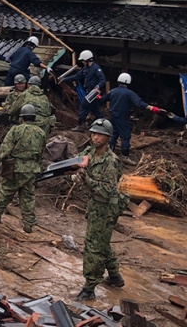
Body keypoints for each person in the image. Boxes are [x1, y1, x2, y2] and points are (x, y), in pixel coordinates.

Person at [74, 118, 126, 301]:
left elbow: (107, 189)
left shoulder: (111, 162)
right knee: (101, 241)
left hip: (106, 207)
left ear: (108, 138)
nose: (95, 137)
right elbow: (79, 161)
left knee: (93, 246)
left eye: (100, 135)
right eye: (93, 133)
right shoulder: (90, 151)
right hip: (95, 205)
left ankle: (89, 287)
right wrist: (75, 171)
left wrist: (86, 180)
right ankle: (114, 276)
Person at [0, 104, 47, 233]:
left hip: (16, 166)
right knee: (28, 196)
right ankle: (28, 225)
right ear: (34, 117)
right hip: (32, 169)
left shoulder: (16, 130)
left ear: (22, 118)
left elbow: (5, 149)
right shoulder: (41, 133)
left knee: (6, 190)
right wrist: (38, 168)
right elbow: (41, 153)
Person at [100, 73, 163, 166]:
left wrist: (97, 96)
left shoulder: (112, 91)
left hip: (112, 117)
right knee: (125, 137)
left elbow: (102, 99)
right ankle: (125, 157)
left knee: (113, 134)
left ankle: (108, 154)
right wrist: (152, 108)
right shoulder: (129, 93)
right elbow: (139, 103)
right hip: (122, 118)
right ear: (128, 82)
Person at [63, 50, 106, 132]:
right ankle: (104, 125)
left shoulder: (96, 68)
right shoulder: (85, 69)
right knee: (96, 110)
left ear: (87, 60)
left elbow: (102, 80)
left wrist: (97, 86)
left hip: (93, 92)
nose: (82, 62)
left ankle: (81, 125)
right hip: (88, 92)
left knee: (83, 106)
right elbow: (77, 76)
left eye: (83, 60)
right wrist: (64, 79)